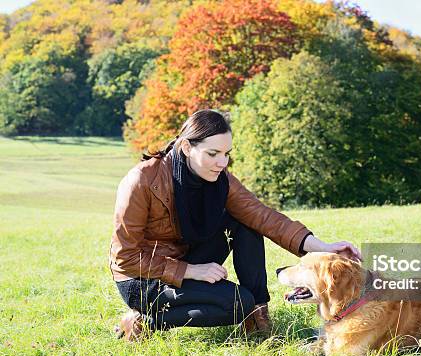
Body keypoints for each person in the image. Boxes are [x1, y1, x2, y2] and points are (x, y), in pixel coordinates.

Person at [110, 109, 361, 341]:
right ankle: (144, 321)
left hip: (186, 259)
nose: (223, 163)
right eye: (213, 154)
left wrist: (323, 249)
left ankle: (257, 315)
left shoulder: (219, 179)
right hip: (143, 279)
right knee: (237, 303)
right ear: (186, 147)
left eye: (226, 154)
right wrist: (190, 271)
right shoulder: (142, 181)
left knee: (246, 223)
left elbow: (263, 217)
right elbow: (125, 258)